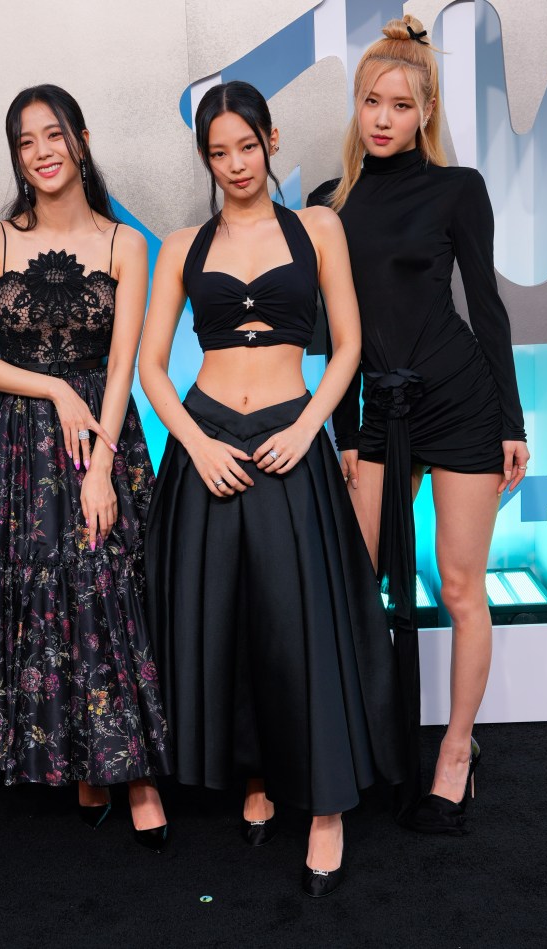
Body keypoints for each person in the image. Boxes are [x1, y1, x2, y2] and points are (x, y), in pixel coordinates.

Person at [139, 80, 404, 896]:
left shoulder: (318, 227)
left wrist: (309, 425)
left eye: (246, 147)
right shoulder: (182, 244)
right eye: (218, 153)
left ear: (271, 140)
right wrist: (194, 442)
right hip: (208, 443)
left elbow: (349, 344)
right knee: (222, 623)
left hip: (292, 437)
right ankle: (252, 776)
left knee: (301, 626)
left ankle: (326, 808)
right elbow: (151, 366)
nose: (235, 164)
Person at [308, 15, 530, 833]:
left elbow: (488, 307)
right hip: (378, 411)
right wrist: (342, 434)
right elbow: (332, 335)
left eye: (401, 105)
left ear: (426, 113)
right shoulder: (327, 205)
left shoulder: (457, 188)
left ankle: (456, 753)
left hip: (460, 401)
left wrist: (511, 420)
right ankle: (366, 743)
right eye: (372, 100)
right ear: (356, 103)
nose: (383, 118)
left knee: (461, 586)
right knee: (355, 582)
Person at [0, 84, 171, 851]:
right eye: (25, 141)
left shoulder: (123, 243)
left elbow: (123, 365)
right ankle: (81, 763)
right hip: (23, 445)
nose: (42, 152)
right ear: (17, 157)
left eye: (53, 135)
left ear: (81, 140)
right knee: (48, 601)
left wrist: (101, 465)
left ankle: (136, 774)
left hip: (103, 438)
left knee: (108, 587)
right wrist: (51, 389)